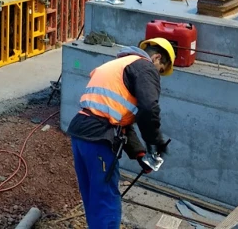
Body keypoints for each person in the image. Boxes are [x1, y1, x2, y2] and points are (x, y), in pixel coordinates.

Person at [67, 37, 175, 229]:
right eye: (160, 70)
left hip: (81, 133)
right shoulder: (144, 67)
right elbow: (149, 109)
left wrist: (140, 153)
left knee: (94, 196)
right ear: (157, 57)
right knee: (107, 200)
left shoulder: (119, 64)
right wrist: (155, 142)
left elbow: (119, 119)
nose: (156, 75)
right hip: (99, 138)